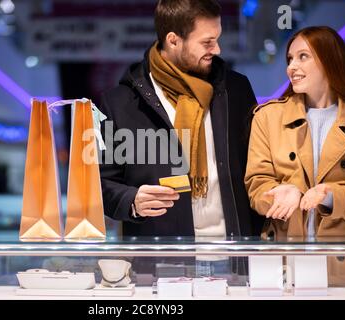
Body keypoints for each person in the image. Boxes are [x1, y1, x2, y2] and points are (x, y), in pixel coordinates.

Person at [99, 0, 262, 240]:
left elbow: (260, 165)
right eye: (207, 42)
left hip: (234, 253)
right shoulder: (120, 103)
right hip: (161, 258)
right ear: (173, 40)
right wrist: (130, 200)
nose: (216, 50)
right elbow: (100, 184)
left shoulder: (235, 89)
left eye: (217, 39)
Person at [245, 26, 345, 286]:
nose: (291, 67)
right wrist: (282, 192)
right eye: (289, 59)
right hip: (282, 264)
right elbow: (256, 185)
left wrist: (331, 197)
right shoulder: (267, 118)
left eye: (303, 57)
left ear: (330, 59)